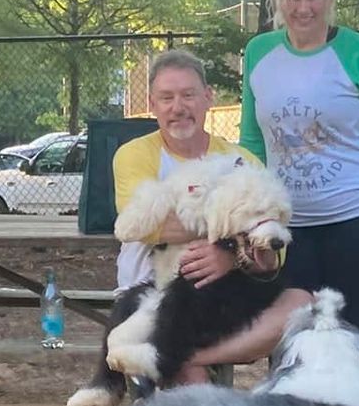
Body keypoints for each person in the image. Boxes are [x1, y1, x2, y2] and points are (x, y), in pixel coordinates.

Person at [240, 0, 359, 340]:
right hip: (285, 225)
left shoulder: (358, 51)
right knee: (287, 337)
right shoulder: (259, 52)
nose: (303, 8)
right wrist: (250, 218)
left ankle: (352, 404)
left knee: (346, 337)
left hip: (354, 219)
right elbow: (252, 142)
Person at [112, 49, 308, 382]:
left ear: (208, 98)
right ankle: (179, 358)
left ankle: (178, 356)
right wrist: (233, 236)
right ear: (153, 103)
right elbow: (152, 227)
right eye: (166, 97)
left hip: (228, 295)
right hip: (153, 294)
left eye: (188, 95)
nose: (178, 107)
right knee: (196, 385)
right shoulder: (133, 155)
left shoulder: (239, 159)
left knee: (302, 303)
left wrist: (230, 258)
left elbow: (275, 251)